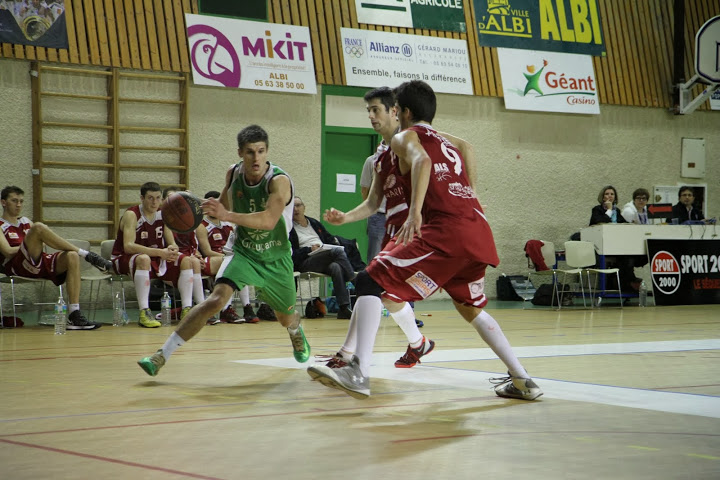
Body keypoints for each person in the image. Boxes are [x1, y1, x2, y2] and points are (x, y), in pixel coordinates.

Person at [307, 81, 542, 401]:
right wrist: (345, 218)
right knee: (469, 308)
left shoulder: (408, 137)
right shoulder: (431, 144)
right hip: (477, 233)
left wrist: (416, 212)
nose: (375, 116)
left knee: (367, 281)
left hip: (444, 231)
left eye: (382, 109)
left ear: (401, 112)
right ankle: (522, 379)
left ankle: (358, 370)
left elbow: (422, 162)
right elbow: (374, 202)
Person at [137, 124, 310, 376]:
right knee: (216, 300)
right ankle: (161, 355)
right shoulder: (233, 173)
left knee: (285, 317)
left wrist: (226, 214)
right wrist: (198, 208)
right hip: (244, 252)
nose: (256, 158)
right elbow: (225, 203)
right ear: (240, 152)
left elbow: (269, 221)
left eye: (261, 151)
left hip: (276, 258)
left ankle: (295, 330)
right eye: (250, 152)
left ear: (267, 152)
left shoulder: (279, 181)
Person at [0, 185, 111, 330]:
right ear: (3, 202)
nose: (19, 204)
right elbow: (7, 251)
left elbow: (44, 246)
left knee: (71, 256)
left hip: (38, 260)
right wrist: (26, 246)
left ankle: (74, 314)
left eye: (21, 201)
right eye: (14, 201)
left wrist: (34, 244)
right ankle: (86, 254)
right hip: (17, 265)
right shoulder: (1, 225)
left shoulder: (25, 221)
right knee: (39, 227)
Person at [110, 182, 196, 328]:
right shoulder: (132, 214)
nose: (154, 202)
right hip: (124, 257)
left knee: (186, 260)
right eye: (150, 198)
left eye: (157, 198)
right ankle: (144, 312)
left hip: (156, 256)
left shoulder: (163, 214)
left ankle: (186, 310)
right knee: (144, 259)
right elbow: (128, 246)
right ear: (142, 198)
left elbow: (171, 241)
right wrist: (160, 252)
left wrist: (173, 249)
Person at [161, 188, 245, 325]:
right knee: (194, 261)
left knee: (238, 262)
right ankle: (195, 309)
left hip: (191, 259)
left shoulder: (191, 221)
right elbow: (173, 246)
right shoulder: (170, 222)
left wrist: (197, 254)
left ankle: (205, 309)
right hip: (170, 260)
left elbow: (194, 246)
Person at [290, 196, 356, 319]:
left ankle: (343, 308)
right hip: (306, 261)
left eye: (298, 205)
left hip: (324, 257)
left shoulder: (314, 223)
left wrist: (333, 244)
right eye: (292, 206)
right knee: (336, 252)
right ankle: (356, 281)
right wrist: (309, 249)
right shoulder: (289, 228)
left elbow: (329, 238)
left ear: (304, 208)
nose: (295, 209)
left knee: (336, 266)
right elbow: (291, 254)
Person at [201, 190, 260, 324]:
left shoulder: (229, 224)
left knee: (240, 264)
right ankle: (226, 309)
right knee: (235, 263)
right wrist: (227, 256)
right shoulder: (202, 225)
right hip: (210, 260)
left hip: (227, 258)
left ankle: (247, 307)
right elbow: (207, 251)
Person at [360, 153, 385, 262]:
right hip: (378, 215)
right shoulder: (371, 161)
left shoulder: (404, 159)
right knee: (375, 257)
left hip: (398, 216)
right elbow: (364, 189)